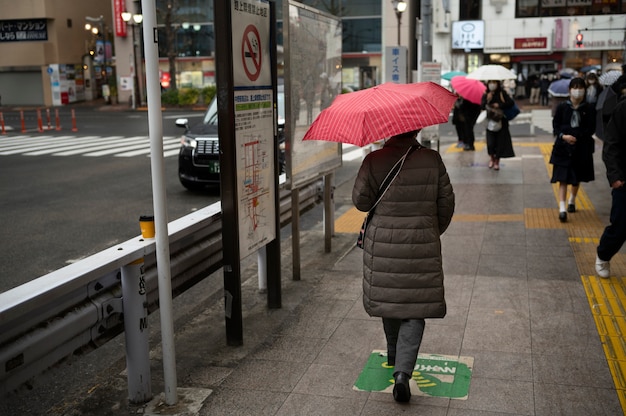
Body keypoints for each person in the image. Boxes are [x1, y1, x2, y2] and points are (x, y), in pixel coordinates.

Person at [352, 130, 455, 403]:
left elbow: (360, 202)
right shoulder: (432, 160)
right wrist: (430, 231)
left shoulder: (374, 160)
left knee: (391, 298)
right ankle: (402, 374)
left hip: (383, 243)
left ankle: (394, 354)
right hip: (421, 242)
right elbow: (446, 205)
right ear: (416, 129)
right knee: (415, 308)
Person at [549, 77, 596, 222]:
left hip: (581, 149)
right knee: (562, 178)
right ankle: (562, 208)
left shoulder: (588, 108)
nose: (577, 90)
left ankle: (572, 200)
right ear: (569, 90)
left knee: (576, 178)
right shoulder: (562, 107)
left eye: (580, 87)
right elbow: (555, 126)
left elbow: (591, 128)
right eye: (575, 87)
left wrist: (578, 136)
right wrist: (564, 136)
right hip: (563, 148)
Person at [596, 82, 626, 278]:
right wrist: (615, 177)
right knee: (621, 225)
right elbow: (611, 145)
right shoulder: (623, 108)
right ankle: (603, 254)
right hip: (624, 179)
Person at [481, 79, 515, 170]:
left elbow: (511, 103)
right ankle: (492, 158)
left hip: (501, 121)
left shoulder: (502, 93)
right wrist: (487, 99)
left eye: (494, 82)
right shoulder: (486, 93)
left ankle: (497, 161)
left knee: (500, 143)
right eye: (490, 82)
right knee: (490, 143)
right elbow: (482, 106)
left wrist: (499, 105)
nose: (492, 84)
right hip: (489, 122)